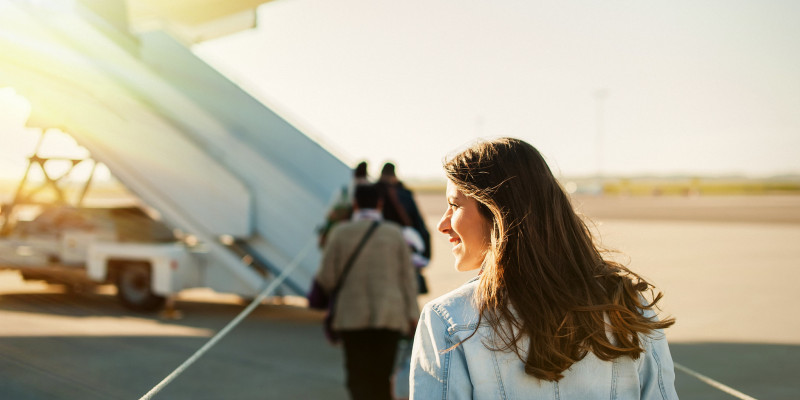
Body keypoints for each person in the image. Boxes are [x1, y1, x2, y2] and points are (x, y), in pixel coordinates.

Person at [409, 138, 678, 399]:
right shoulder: (628, 308)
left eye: (454, 205)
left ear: (498, 211)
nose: (442, 224)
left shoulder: (449, 321)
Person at [316, 184, 419, 400]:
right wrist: (412, 316)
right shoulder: (395, 234)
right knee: (381, 377)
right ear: (380, 204)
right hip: (390, 315)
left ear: (355, 204)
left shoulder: (340, 233)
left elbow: (327, 278)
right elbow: (408, 280)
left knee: (358, 376)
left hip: (352, 317)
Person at [318, 161, 370, 247]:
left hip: (335, 234)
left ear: (354, 174)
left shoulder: (343, 191)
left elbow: (329, 214)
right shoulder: (369, 194)